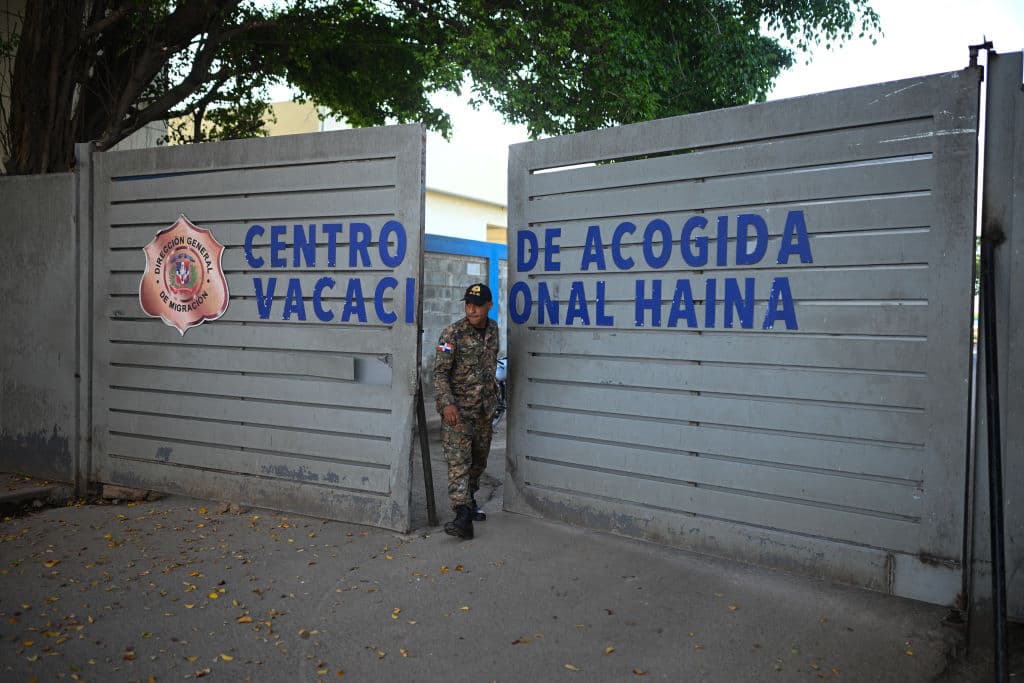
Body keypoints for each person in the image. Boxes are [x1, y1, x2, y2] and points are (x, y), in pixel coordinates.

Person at [433, 283, 500, 540]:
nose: (471, 309)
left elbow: (490, 365)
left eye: (477, 305)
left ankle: (469, 502)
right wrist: (447, 403)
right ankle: (461, 517)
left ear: (488, 306)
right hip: (457, 413)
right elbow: (439, 373)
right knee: (459, 463)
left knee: (478, 462)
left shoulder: (493, 330)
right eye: (468, 304)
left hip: (483, 410)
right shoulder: (453, 334)